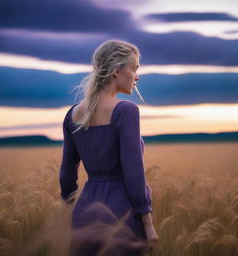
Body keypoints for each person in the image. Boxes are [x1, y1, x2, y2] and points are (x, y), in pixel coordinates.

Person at [59, 39, 158, 255]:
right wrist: (148, 223)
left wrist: (74, 207)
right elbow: (134, 172)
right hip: (121, 214)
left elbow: (67, 175)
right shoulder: (125, 111)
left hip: (84, 214)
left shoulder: (72, 115)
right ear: (116, 70)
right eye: (134, 68)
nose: (137, 76)